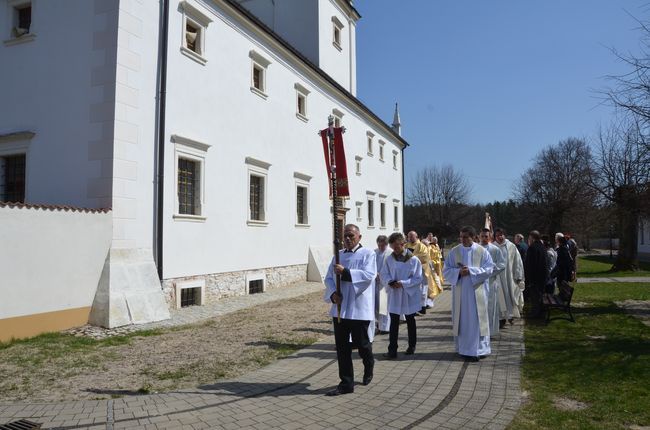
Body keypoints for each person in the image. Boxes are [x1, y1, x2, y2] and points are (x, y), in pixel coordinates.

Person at [324, 224, 376, 396]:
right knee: (342, 347)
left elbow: (369, 276)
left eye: (351, 236)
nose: (347, 238)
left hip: (359, 308)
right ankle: (346, 383)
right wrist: (333, 294)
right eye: (345, 235)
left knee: (361, 344)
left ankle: (369, 364)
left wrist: (345, 272)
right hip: (341, 309)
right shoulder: (337, 255)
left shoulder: (368, 254)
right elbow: (329, 278)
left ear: (359, 237)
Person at [443, 226, 494, 361]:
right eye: (461, 237)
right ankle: (464, 349)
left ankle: (479, 350)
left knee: (477, 321)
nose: (462, 239)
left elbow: (489, 269)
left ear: (473, 237)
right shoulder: (455, 251)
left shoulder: (482, 251)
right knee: (463, 321)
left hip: (477, 294)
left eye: (465, 237)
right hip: (460, 295)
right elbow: (446, 270)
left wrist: (470, 271)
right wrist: (458, 272)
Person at [380, 232, 423, 359]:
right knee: (394, 321)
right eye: (393, 247)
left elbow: (418, 278)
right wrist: (390, 281)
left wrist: (403, 283)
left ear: (403, 244)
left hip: (407, 293)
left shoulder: (413, 260)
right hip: (395, 293)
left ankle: (412, 346)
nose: (395, 250)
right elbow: (384, 274)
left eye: (397, 247)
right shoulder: (389, 259)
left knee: (410, 320)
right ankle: (392, 349)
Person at [493, 228, 525, 328]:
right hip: (496, 278)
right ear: (495, 237)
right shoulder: (492, 247)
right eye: (498, 235)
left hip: (509, 277)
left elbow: (517, 262)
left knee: (510, 296)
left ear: (505, 235)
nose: (500, 237)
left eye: (502, 234)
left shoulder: (511, 246)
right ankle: (501, 318)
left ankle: (511, 316)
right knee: (499, 298)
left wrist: (518, 275)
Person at [479, 228, 506, 338]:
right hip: (478, 283)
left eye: (486, 236)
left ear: (490, 237)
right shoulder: (476, 249)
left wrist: (490, 270)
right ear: (479, 236)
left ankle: (490, 331)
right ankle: (480, 331)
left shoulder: (495, 249)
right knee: (479, 308)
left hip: (490, 282)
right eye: (482, 236)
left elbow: (502, 265)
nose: (484, 238)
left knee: (490, 308)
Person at [406, 231, 440, 314]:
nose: (410, 238)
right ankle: (413, 308)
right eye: (409, 237)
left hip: (421, 270)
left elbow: (425, 257)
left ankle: (422, 307)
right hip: (409, 271)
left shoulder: (421, 245)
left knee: (422, 290)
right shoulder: (406, 245)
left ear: (416, 236)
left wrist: (411, 257)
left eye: (412, 237)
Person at [524, 230, 548, 318]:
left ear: (532, 238)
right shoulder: (542, 247)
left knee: (535, 297)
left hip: (534, 278)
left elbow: (529, 265)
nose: (528, 240)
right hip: (542, 276)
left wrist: (528, 278)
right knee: (539, 295)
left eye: (529, 238)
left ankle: (535, 314)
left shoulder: (532, 248)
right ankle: (540, 312)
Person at [374, 235, 391, 334]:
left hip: (385, 283)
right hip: (375, 281)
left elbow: (392, 267)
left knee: (384, 305)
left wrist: (383, 275)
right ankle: (378, 325)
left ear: (386, 244)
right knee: (376, 305)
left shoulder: (390, 253)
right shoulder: (374, 252)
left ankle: (385, 327)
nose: (381, 247)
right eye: (379, 245)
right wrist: (374, 273)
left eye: (383, 245)